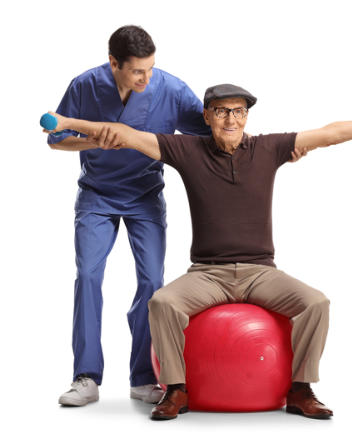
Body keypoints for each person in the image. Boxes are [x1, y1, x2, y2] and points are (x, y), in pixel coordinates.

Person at [44, 84, 352, 419]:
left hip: (261, 274)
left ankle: (300, 390)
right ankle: (175, 389)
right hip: (207, 274)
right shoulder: (186, 149)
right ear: (206, 117)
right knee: (162, 303)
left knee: (316, 303)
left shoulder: (268, 149)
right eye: (221, 111)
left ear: (247, 116)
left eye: (238, 111)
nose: (231, 119)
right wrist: (66, 121)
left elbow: (330, 134)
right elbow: (125, 135)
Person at [48, 25, 213, 407]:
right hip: (97, 195)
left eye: (151, 69)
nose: (146, 78)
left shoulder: (169, 89)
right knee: (88, 275)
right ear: (114, 64)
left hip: (145, 196)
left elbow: (209, 131)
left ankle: (143, 376)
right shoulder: (85, 85)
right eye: (137, 71)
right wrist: (94, 140)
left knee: (152, 280)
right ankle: (86, 377)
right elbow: (56, 139)